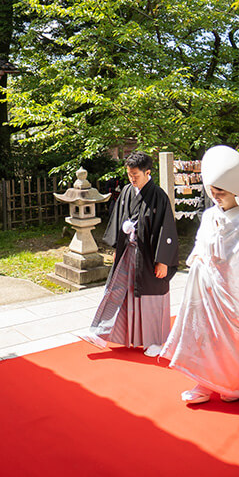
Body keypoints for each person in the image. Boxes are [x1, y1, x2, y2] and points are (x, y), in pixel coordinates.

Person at [161, 145, 239, 404]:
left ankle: (236, 384)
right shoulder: (208, 215)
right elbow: (200, 244)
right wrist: (197, 258)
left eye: (222, 192)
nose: (216, 196)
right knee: (204, 336)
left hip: (234, 291)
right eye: (213, 191)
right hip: (208, 288)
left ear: (235, 192)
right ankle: (204, 382)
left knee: (233, 340)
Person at [81, 151, 179, 356]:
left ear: (148, 172)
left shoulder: (159, 195)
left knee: (151, 297)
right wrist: (117, 247)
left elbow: (166, 229)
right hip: (128, 251)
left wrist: (163, 261)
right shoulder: (127, 191)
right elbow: (118, 219)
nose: (132, 178)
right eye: (129, 174)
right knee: (117, 291)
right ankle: (100, 333)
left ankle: (156, 341)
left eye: (135, 175)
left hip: (150, 255)